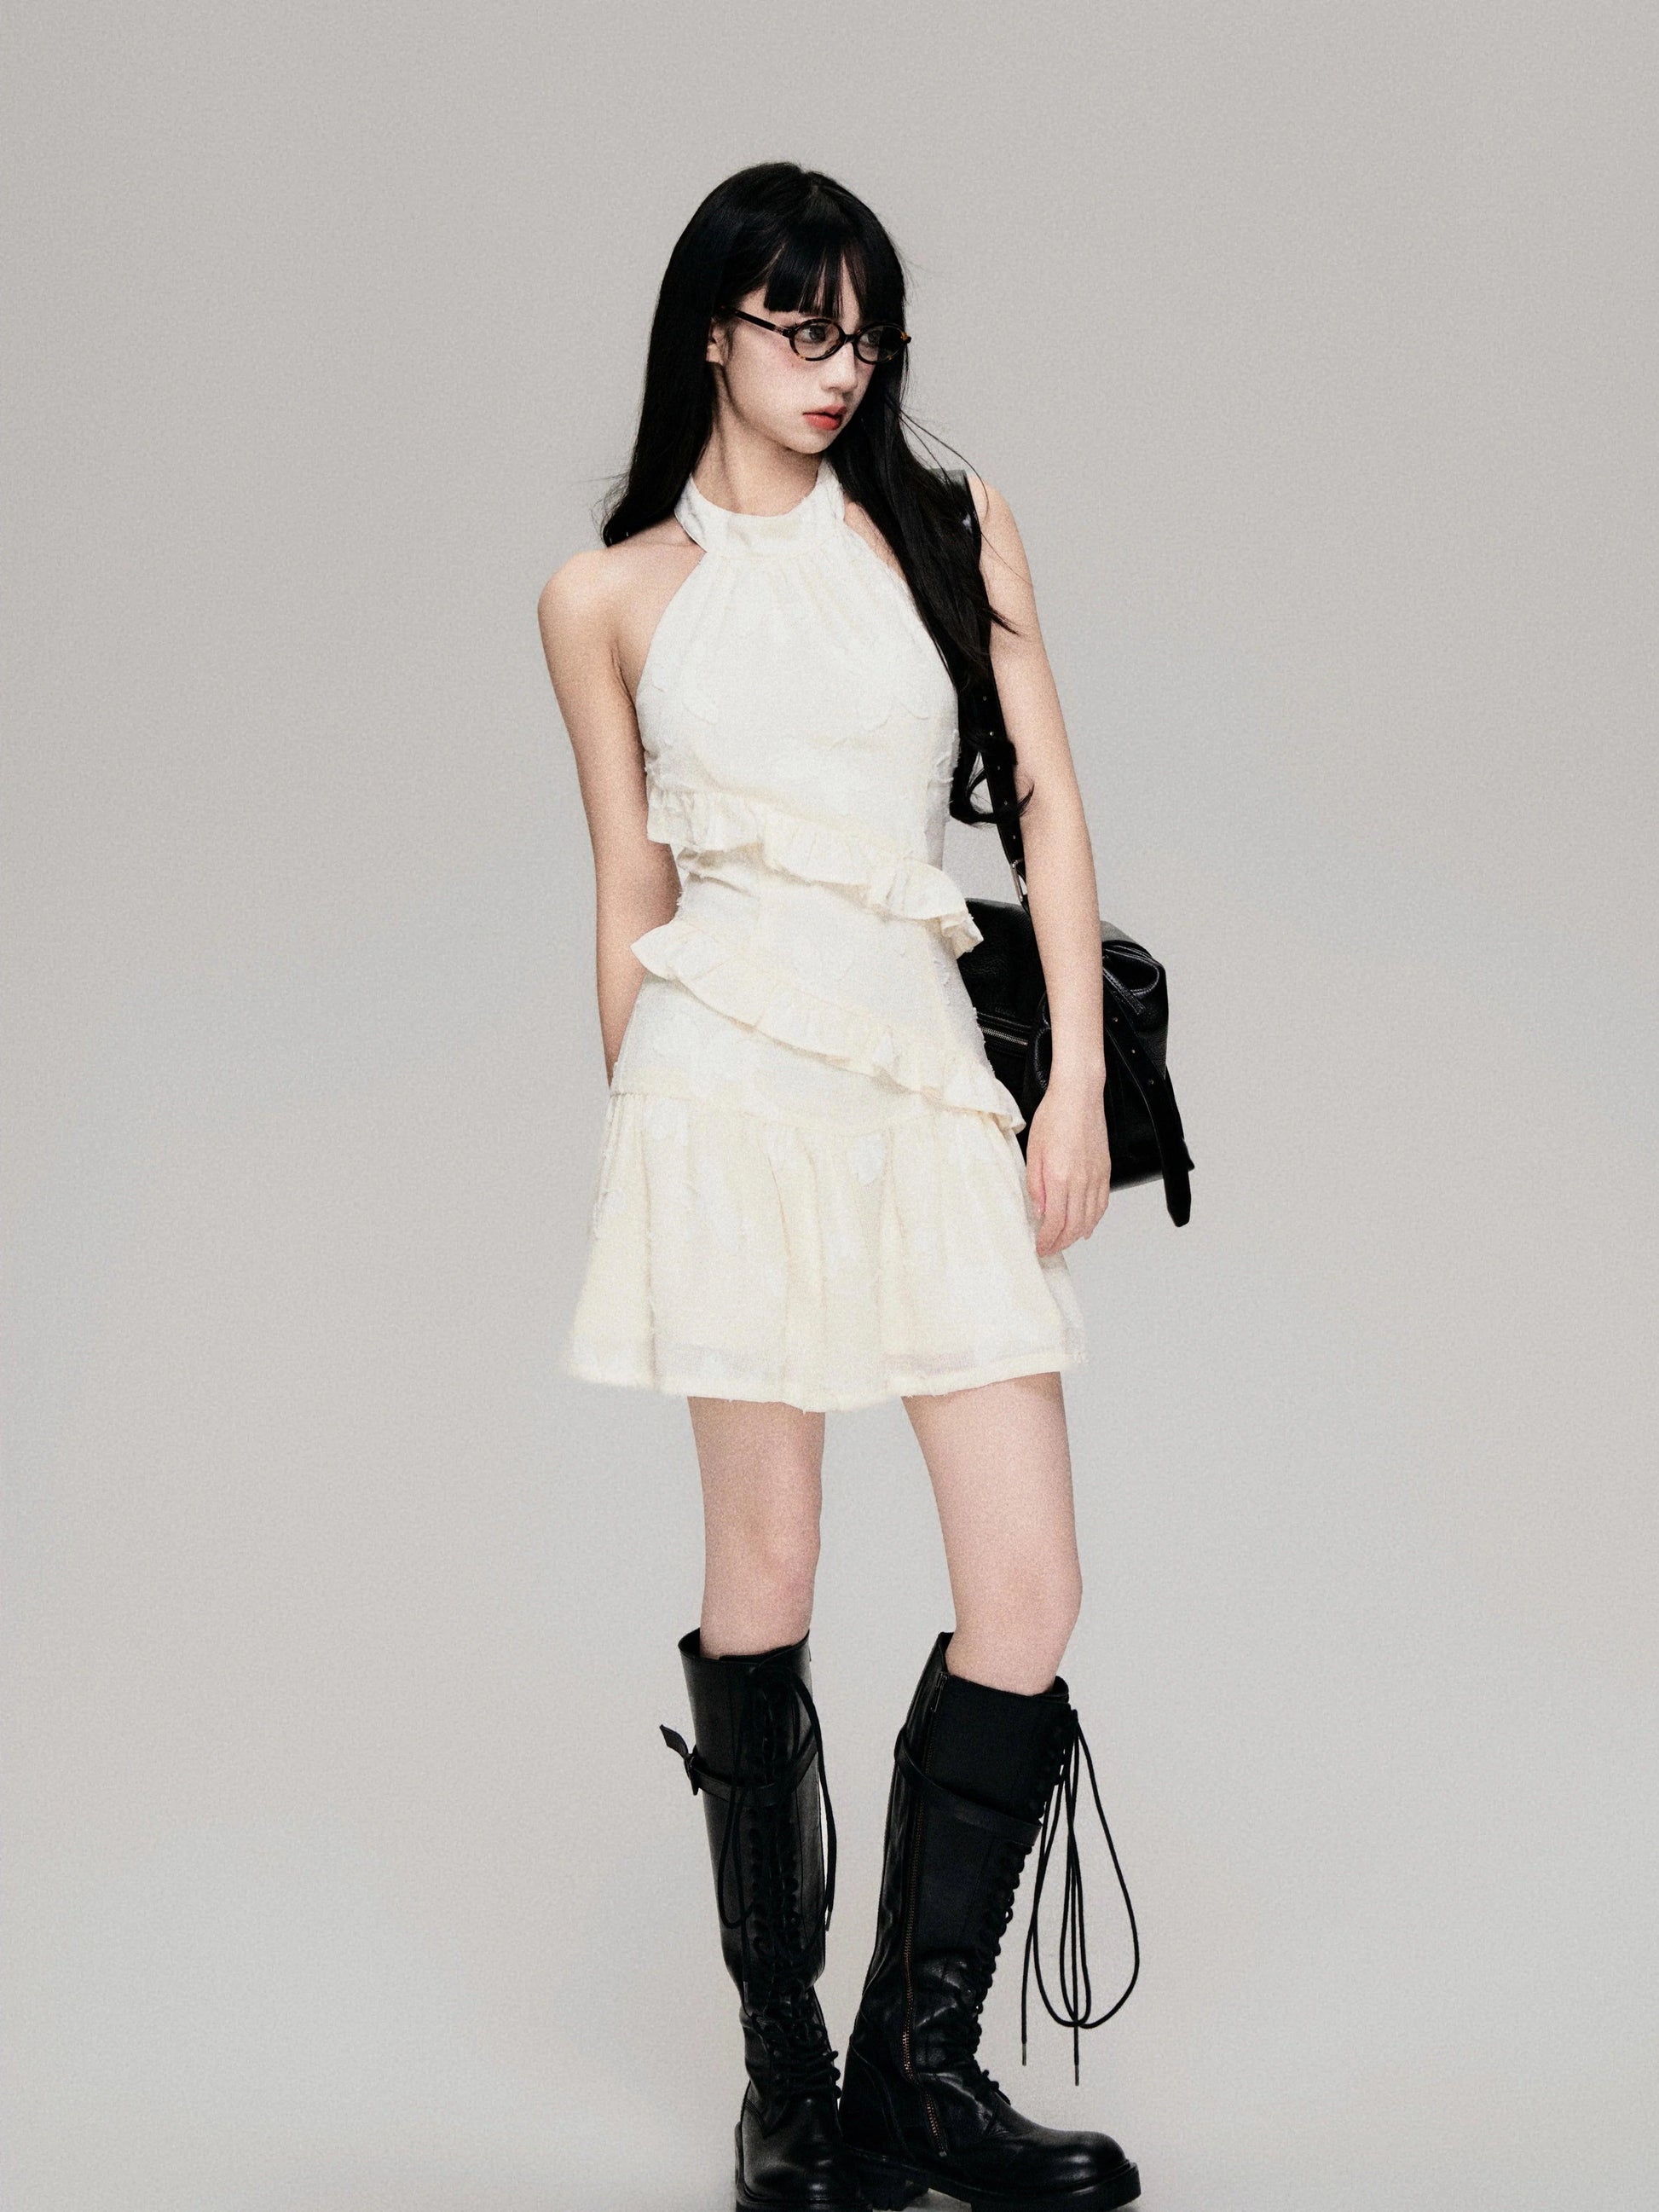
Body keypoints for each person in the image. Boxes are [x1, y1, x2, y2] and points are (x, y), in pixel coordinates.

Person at [539, 162, 1140, 2212]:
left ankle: (922, 2066)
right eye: (800, 326)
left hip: (919, 1073)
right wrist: (639, 1134)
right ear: (712, 327)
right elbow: (626, 883)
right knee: (768, 1571)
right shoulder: (605, 594)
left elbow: (1047, 804)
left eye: (864, 332)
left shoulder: (949, 532)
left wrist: (1070, 1083)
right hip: (721, 1087)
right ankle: (790, 2081)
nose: (838, 367)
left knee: (1028, 1586)